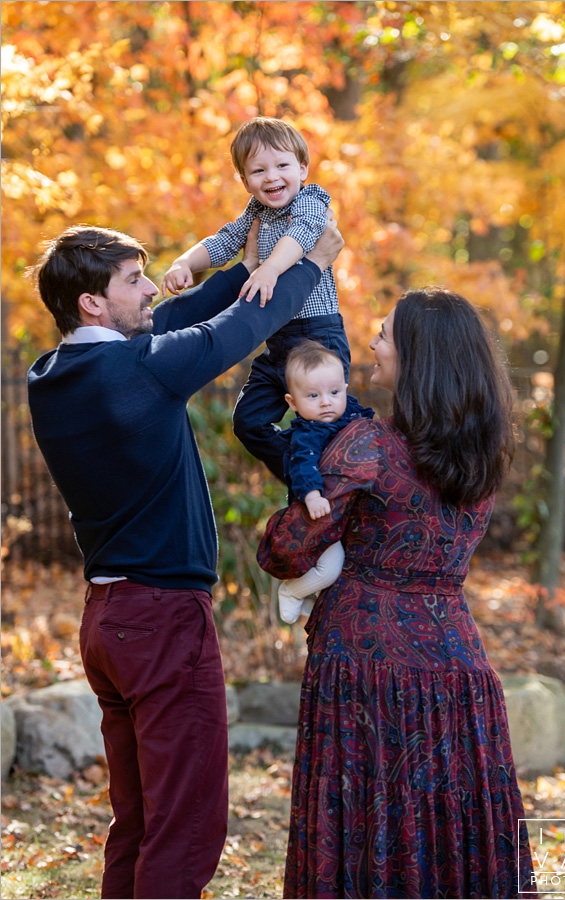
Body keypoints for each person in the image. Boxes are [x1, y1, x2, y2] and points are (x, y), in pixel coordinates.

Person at [27, 217, 343, 900]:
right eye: (133, 281)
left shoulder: (51, 376)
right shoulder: (137, 370)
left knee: (139, 823)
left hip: (109, 623)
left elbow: (175, 318)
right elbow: (230, 332)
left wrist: (240, 269)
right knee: (185, 828)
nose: (149, 289)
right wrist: (310, 264)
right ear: (92, 302)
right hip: (165, 620)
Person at [257, 288, 537, 899]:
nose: (373, 344)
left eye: (384, 334)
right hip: (458, 665)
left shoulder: (369, 445)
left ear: (416, 354)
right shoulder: (482, 446)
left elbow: (286, 549)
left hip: (365, 665)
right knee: (450, 832)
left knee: (367, 825)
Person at [161, 116, 353, 481]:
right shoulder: (256, 213)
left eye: (282, 165)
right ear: (245, 181)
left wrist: (270, 269)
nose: (272, 177)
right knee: (248, 422)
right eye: (258, 170)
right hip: (278, 340)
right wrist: (185, 261)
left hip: (317, 336)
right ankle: (305, 474)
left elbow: (302, 233)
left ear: (302, 168)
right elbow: (225, 240)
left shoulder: (312, 200)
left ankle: (342, 481)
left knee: (328, 420)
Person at [277, 339, 373, 624]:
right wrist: (312, 497)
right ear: (293, 403)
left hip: (342, 512)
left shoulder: (351, 415)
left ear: (345, 388)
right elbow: (303, 467)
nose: (326, 402)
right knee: (330, 568)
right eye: (313, 396)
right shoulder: (307, 435)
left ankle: (310, 596)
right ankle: (291, 592)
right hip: (317, 513)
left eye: (333, 392)